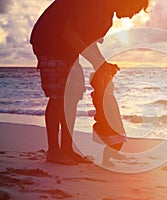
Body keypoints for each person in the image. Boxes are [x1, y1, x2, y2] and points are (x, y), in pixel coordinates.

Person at [30, 0, 149, 165]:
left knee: (73, 96)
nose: (131, 15)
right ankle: (54, 151)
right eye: (133, 9)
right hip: (50, 42)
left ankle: (66, 148)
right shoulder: (94, 4)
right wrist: (98, 63)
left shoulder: (106, 19)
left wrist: (102, 64)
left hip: (68, 50)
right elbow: (69, 33)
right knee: (60, 96)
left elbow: (88, 43)